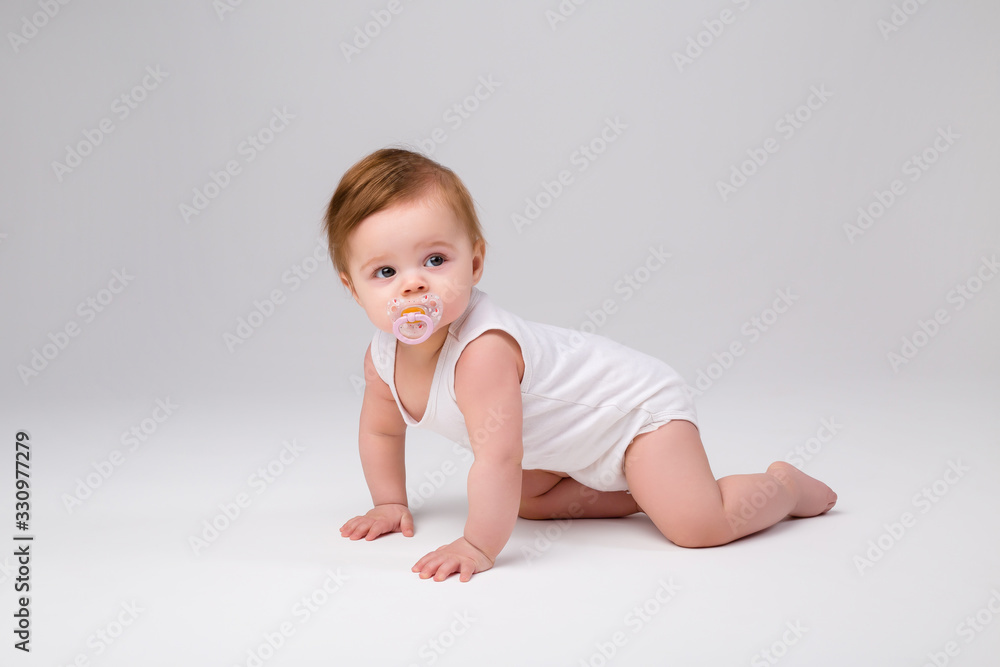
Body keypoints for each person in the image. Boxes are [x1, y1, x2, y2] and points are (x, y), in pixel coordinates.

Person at [327, 147, 837, 583]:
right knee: (528, 499)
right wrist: (390, 503)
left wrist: (479, 545)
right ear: (352, 288)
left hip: (635, 414)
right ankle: (645, 488)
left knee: (698, 527)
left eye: (435, 260)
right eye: (386, 271)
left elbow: (498, 459)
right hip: (570, 441)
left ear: (475, 262)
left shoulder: (482, 354)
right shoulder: (382, 357)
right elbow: (381, 434)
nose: (414, 284)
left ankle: (785, 487)